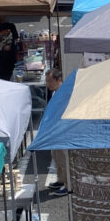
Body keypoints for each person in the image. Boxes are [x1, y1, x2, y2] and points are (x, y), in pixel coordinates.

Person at [45, 69, 70, 197]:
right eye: (47, 81)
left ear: (58, 80)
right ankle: (61, 180)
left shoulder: (63, 93)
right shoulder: (55, 92)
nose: (47, 84)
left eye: (50, 81)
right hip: (56, 131)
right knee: (57, 156)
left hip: (62, 131)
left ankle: (67, 184)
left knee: (64, 158)